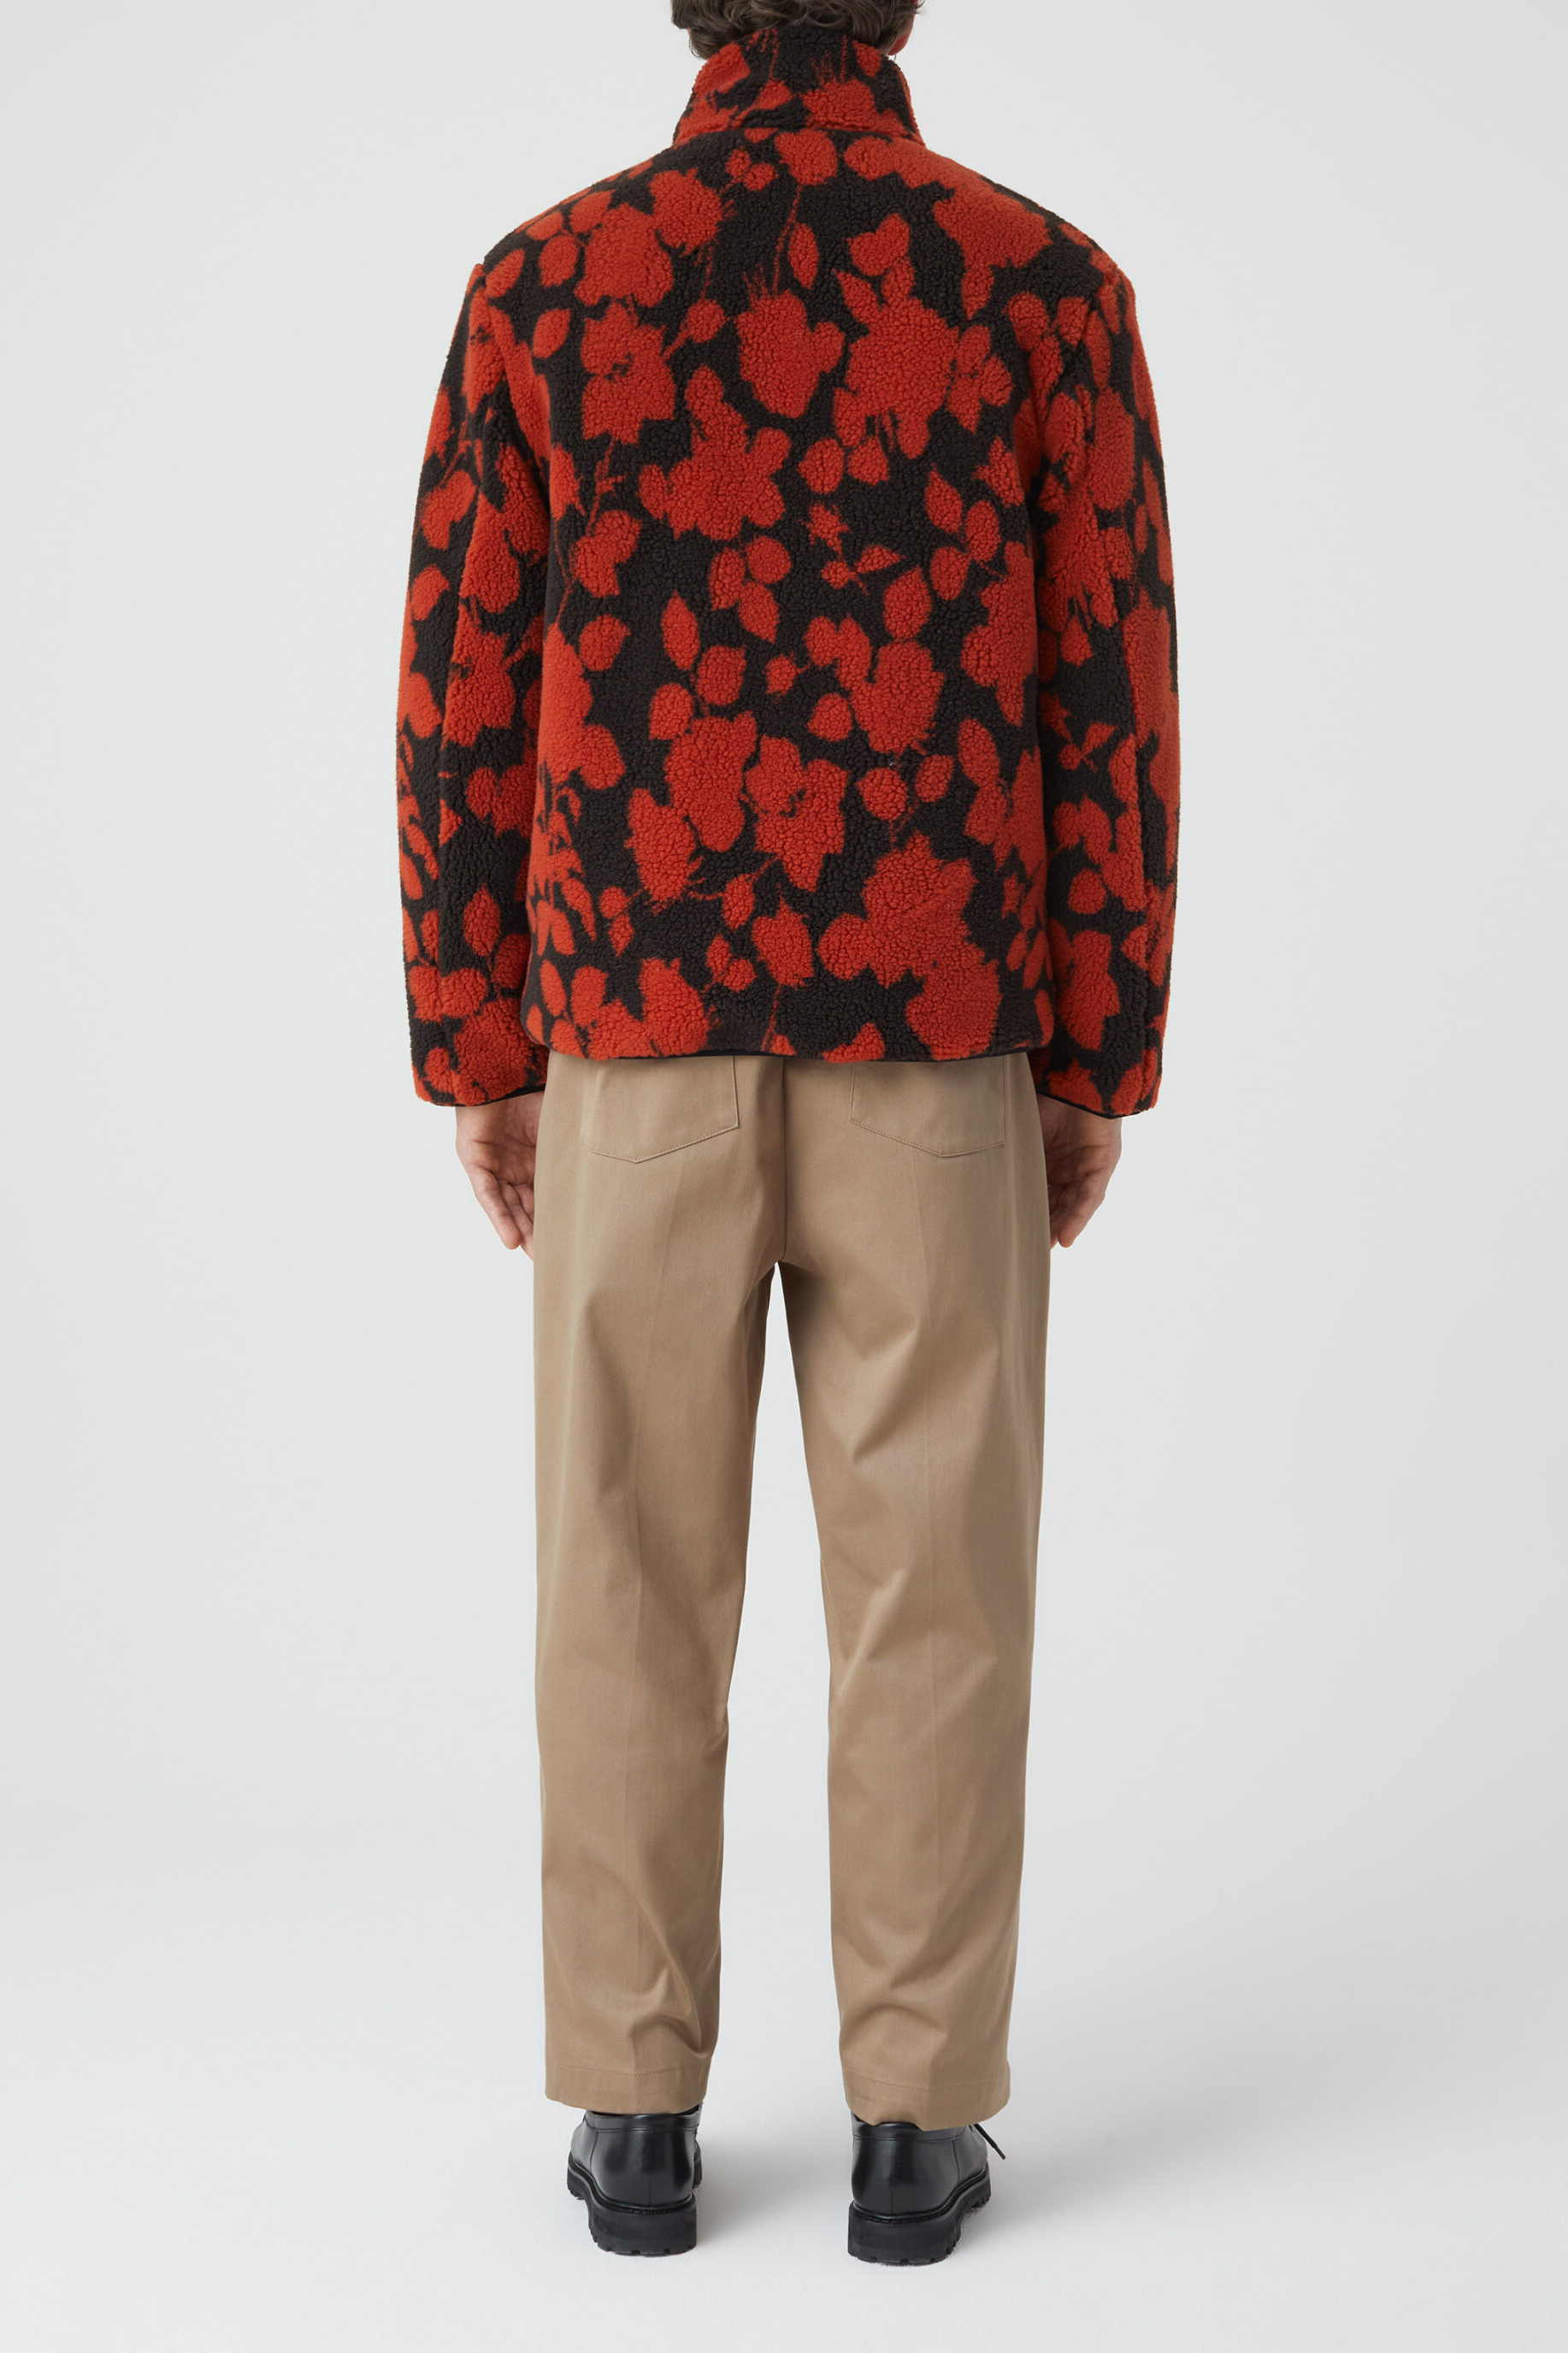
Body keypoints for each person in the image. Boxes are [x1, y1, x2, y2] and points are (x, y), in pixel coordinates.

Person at [395, 0, 1178, 2265]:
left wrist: (479, 1042)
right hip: (939, 1027)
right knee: (939, 1584)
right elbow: (1110, 685)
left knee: (622, 1573)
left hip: (632, 1028)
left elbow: (462, 686)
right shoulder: (1042, 284)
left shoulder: (550, 281)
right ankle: (917, 2133)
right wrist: (1095, 1050)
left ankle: (635, 2118)